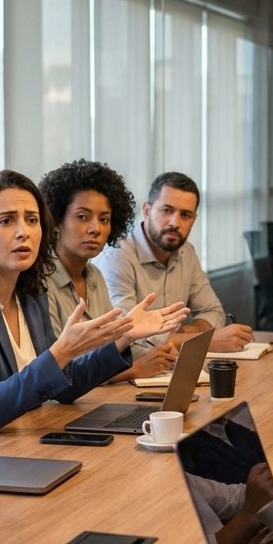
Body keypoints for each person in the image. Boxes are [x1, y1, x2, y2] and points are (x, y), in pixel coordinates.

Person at [0, 170, 187, 457]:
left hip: (7, 447)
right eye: (6, 221)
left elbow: (64, 387)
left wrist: (122, 338)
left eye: (32, 220)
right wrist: (60, 353)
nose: (23, 232)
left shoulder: (31, 292)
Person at [37, 159, 178, 382]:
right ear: (55, 221)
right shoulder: (40, 281)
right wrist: (132, 371)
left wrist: (157, 354)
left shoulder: (94, 276)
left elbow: (110, 345)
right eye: (82, 217)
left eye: (104, 219)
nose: (96, 229)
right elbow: (56, 370)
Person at [96, 172, 253, 353]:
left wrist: (184, 334)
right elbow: (125, 333)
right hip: (133, 372)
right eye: (167, 210)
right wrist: (205, 341)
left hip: (173, 366)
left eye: (185, 215)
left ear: (193, 219)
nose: (175, 222)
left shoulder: (187, 252)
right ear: (147, 211)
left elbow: (213, 311)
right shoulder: (116, 257)